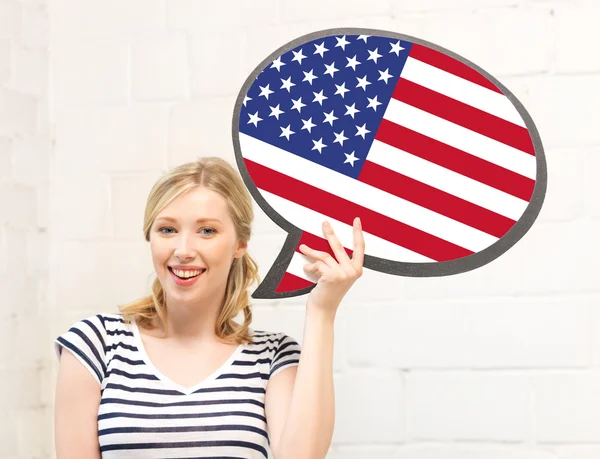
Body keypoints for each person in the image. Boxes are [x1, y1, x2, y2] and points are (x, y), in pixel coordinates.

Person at [53, 156, 365, 458]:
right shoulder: (96, 344)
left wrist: (323, 311)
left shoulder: (272, 356)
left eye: (207, 231)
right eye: (167, 229)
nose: (183, 250)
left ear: (240, 243)